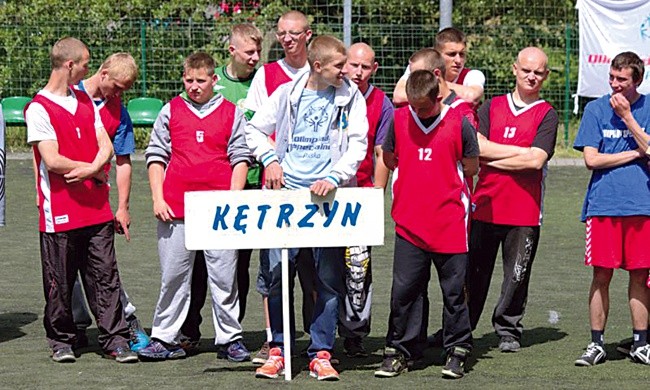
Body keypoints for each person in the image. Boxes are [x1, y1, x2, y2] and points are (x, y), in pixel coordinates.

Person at [246, 35, 368, 381]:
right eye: (339, 66)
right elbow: (253, 129)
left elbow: (358, 145)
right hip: (285, 200)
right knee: (276, 277)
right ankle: (279, 351)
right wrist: (269, 160)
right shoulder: (286, 93)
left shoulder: (351, 97)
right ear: (318, 66)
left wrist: (334, 175)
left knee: (327, 280)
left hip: (327, 203)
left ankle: (321, 353)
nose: (347, 72)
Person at [25, 37, 137, 363]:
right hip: (59, 210)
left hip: (97, 209)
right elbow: (52, 159)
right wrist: (94, 170)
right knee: (59, 280)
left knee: (105, 276)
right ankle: (61, 340)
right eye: (87, 63)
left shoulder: (86, 100)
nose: (91, 69)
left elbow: (106, 145)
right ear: (70, 65)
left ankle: (115, 339)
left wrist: (91, 169)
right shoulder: (38, 108)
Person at [137, 52, 252, 362]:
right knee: (173, 276)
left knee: (224, 278)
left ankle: (230, 339)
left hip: (218, 211)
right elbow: (156, 156)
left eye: (201, 80)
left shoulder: (231, 112)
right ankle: (164, 337)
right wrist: (157, 198)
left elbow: (240, 156)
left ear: (214, 80)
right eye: (189, 80)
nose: (194, 86)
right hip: (175, 208)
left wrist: (232, 197)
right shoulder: (169, 110)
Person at [376, 70, 478, 379]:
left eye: (424, 107)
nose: (417, 112)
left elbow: (471, 165)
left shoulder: (459, 123)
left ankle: (457, 350)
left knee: (454, 293)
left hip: (449, 223)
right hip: (409, 222)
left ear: (438, 98)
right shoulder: (398, 119)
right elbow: (390, 158)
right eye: (413, 106)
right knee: (404, 292)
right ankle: (400, 351)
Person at [466, 47, 558, 353]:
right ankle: (462, 328)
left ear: (545, 75)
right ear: (514, 69)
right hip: (485, 205)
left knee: (516, 276)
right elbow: (477, 149)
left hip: (525, 211)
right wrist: (521, 153)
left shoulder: (547, 114)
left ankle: (508, 329)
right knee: (473, 274)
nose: (531, 76)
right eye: (526, 70)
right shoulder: (491, 107)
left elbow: (536, 162)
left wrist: (495, 155)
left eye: (538, 72)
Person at [179, 22, 262, 355]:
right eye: (250, 52)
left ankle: (232, 334)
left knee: (239, 264)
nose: (256, 58)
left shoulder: (264, 83)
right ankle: (189, 329)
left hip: (254, 188)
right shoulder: (214, 85)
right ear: (232, 51)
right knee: (197, 262)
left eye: (259, 52)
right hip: (213, 190)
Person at [244, 10, 318, 365]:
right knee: (274, 268)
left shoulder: (322, 71)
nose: (287, 39)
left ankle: (320, 343)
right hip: (277, 188)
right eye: (282, 33)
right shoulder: (267, 75)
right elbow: (254, 128)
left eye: (293, 33)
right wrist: (270, 160)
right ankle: (276, 341)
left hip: (317, 189)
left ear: (308, 34)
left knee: (316, 270)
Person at [573, 51, 650, 366]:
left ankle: (641, 343)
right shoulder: (595, 109)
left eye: (622, 80)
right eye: (612, 78)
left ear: (637, 81)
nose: (615, 85)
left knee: (640, 275)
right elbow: (592, 159)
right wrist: (635, 154)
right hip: (604, 204)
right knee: (601, 275)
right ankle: (596, 344)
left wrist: (629, 119)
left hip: (643, 206)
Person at [70, 52, 150, 352]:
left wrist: (123, 206)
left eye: (124, 90)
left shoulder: (119, 111)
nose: (118, 94)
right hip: (64, 194)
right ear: (103, 73)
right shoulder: (66, 96)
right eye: (116, 87)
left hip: (96, 199)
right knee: (65, 265)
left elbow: (124, 161)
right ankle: (75, 324)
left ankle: (126, 319)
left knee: (103, 265)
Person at [338, 42, 392, 358]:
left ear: (374, 69)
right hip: (323, 195)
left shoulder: (381, 103)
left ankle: (355, 333)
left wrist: (375, 196)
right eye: (353, 65)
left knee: (358, 267)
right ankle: (320, 333)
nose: (357, 72)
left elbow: (382, 151)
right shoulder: (329, 91)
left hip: (359, 197)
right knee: (320, 267)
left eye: (365, 67)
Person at [392, 27, 485, 107]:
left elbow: (472, 96)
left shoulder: (473, 75)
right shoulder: (418, 67)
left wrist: (433, 83)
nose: (458, 60)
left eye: (462, 54)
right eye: (451, 54)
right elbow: (398, 97)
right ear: (437, 54)